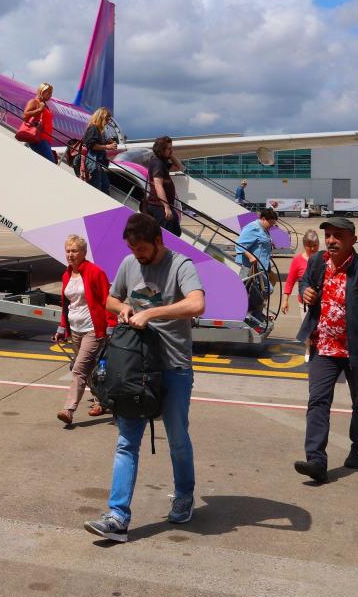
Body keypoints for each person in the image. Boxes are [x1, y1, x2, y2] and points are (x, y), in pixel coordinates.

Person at [83, 213, 205, 542]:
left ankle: (184, 495)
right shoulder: (128, 263)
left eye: (141, 249)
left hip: (173, 367)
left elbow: (197, 304)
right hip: (136, 367)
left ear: (158, 242)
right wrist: (120, 308)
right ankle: (117, 516)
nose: (137, 254)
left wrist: (150, 311)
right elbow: (110, 297)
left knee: (177, 438)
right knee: (126, 441)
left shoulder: (181, 265)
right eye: (132, 249)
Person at [293, 216, 358, 484]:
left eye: (338, 236)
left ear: (353, 240)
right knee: (318, 401)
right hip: (323, 346)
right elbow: (305, 284)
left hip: (357, 351)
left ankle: (357, 448)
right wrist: (305, 292)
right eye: (329, 235)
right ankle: (316, 460)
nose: (331, 240)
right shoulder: (317, 263)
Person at [53, 235, 114, 426]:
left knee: (78, 370)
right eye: (68, 251)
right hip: (76, 329)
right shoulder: (67, 274)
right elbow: (66, 304)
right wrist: (62, 328)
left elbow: (107, 301)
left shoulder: (95, 272)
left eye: (74, 251)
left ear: (84, 253)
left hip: (93, 330)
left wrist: (110, 326)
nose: (70, 255)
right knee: (89, 371)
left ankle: (68, 410)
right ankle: (101, 401)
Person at [235, 207, 279, 325]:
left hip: (262, 267)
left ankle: (256, 313)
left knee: (263, 290)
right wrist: (250, 256)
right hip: (250, 268)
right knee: (253, 291)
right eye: (271, 223)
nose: (271, 226)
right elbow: (239, 245)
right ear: (263, 219)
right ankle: (249, 314)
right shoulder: (253, 227)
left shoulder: (264, 229)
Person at [139, 136, 183, 235]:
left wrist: (170, 155)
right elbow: (158, 185)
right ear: (161, 149)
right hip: (159, 206)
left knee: (176, 232)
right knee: (168, 235)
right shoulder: (157, 163)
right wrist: (166, 207)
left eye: (172, 148)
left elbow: (179, 167)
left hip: (165, 205)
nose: (171, 150)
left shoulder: (162, 162)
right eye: (169, 148)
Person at [281, 229, 320, 314]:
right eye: (309, 246)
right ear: (304, 245)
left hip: (322, 303)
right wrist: (285, 300)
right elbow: (290, 281)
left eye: (315, 245)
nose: (313, 248)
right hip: (305, 304)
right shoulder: (297, 260)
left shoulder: (324, 258)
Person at [81, 107, 118, 194]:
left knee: (105, 185)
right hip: (92, 161)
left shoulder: (97, 130)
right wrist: (107, 146)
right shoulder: (93, 128)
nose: (108, 122)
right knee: (97, 186)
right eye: (107, 119)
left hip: (96, 162)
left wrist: (106, 142)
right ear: (101, 118)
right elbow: (91, 145)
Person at [22, 83, 57, 163]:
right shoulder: (34, 101)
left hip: (46, 140)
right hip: (39, 138)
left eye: (51, 93)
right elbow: (25, 116)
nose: (50, 95)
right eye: (49, 93)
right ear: (42, 91)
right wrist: (39, 110)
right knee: (51, 164)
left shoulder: (45, 105)